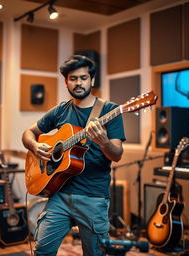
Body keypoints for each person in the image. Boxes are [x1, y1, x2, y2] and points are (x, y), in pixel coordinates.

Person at [22, 55, 126, 256]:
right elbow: (28, 133)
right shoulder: (60, 110)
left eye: (83, 78)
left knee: (94, 253)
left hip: (93, 197)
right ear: (66, 82)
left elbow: (117, 155)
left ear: (92, 80)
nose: (78, 83)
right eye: (73, 78)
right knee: (42, 250)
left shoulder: (109, 110)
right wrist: (35, 147)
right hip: (59, 194)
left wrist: (103, 141)